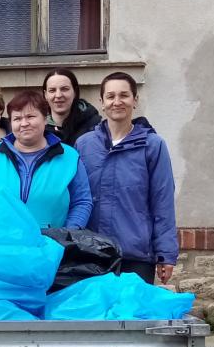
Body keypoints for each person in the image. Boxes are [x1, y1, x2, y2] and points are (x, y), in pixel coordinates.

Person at [76, 72, 178, 284]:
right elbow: (76, 198)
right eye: (110, 96)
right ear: (102, 102)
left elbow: (163, 202)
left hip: (135, 255)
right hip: (92, 253)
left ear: (135, 100)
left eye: (124, 95)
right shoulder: (84, 145)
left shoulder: (153, 145)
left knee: (133, 307)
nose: (117, 102)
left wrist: (165, 254)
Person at [0, 88, 92, 230]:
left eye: (30, 116)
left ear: (45, 119)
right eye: (17, 119)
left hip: (52, 241)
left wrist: (69, 233)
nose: (24, 123)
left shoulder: (69, 157)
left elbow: (82, 202)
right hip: (0, 240)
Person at [42, 68, 102, 146]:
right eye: (52, 90)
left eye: (64, 89)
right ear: (45, 95)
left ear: (75, 92)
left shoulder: (95, 126)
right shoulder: (38, 128)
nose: (58, 95)